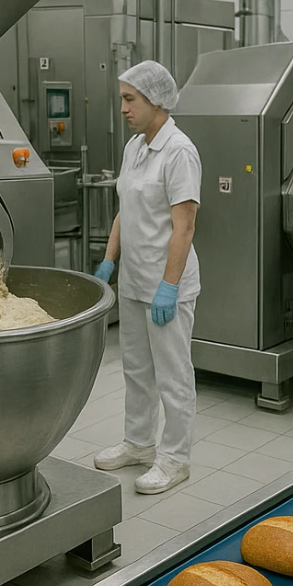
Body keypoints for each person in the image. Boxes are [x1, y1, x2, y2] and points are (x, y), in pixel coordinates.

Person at [92, 61, 202, 495]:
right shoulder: (135, 147)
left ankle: (175, 458)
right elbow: (126, 209)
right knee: (137, 370)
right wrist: (109, 260)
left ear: (156, 101)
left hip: (164, 286)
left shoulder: (179, 151)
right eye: (122, 98)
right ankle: (139, 443)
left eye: (129, 99)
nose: (123, 108)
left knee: (173, 375)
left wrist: (169, 287)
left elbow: (184, 226)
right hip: (134, 281)